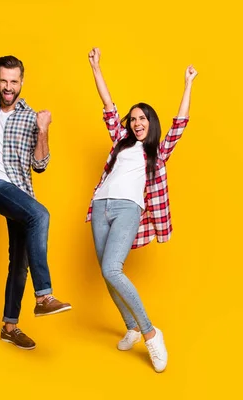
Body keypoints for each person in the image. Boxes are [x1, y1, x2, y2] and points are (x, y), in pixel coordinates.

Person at [86, 47, 197, 372]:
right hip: (100, 205)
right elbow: (108, 106)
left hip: (128, 209)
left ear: (151, 122)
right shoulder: (120, 140)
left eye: (142, 118)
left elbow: (181, 122)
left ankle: (150, 333)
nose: (136, 123)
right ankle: (130, 327)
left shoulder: (158, 152)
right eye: (133, 119)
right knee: (106, 275)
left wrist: (188, 83)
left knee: (112, 269)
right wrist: (96, 68)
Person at [0, 55, 72, 350]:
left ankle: (10, 326)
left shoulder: (30, 117)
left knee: (19, 262)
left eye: (13, 82)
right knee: (40, 215)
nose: (8, 87)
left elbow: (40, 164)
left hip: (18, 189)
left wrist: (44, 129)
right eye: (3, 81)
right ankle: (44, 296)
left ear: (22, 82)